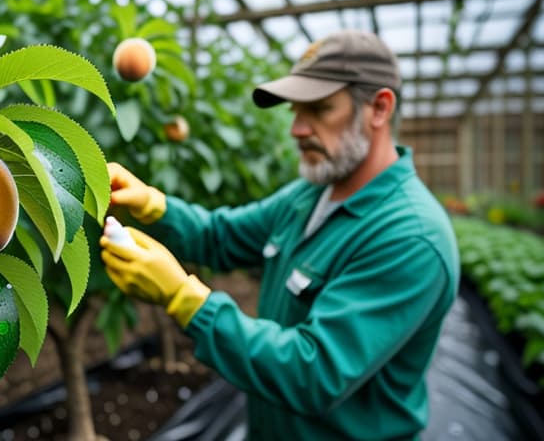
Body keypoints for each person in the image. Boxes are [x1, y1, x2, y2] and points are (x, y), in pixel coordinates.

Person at [100, 29, 459, 440]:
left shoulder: (410, 238)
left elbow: (314, 371)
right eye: (295, 111)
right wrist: (153, 204)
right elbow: (222, 236)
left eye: (319, 110)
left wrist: (184, 299)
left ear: (379, 108)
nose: (297, 129)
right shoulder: (312, 193)